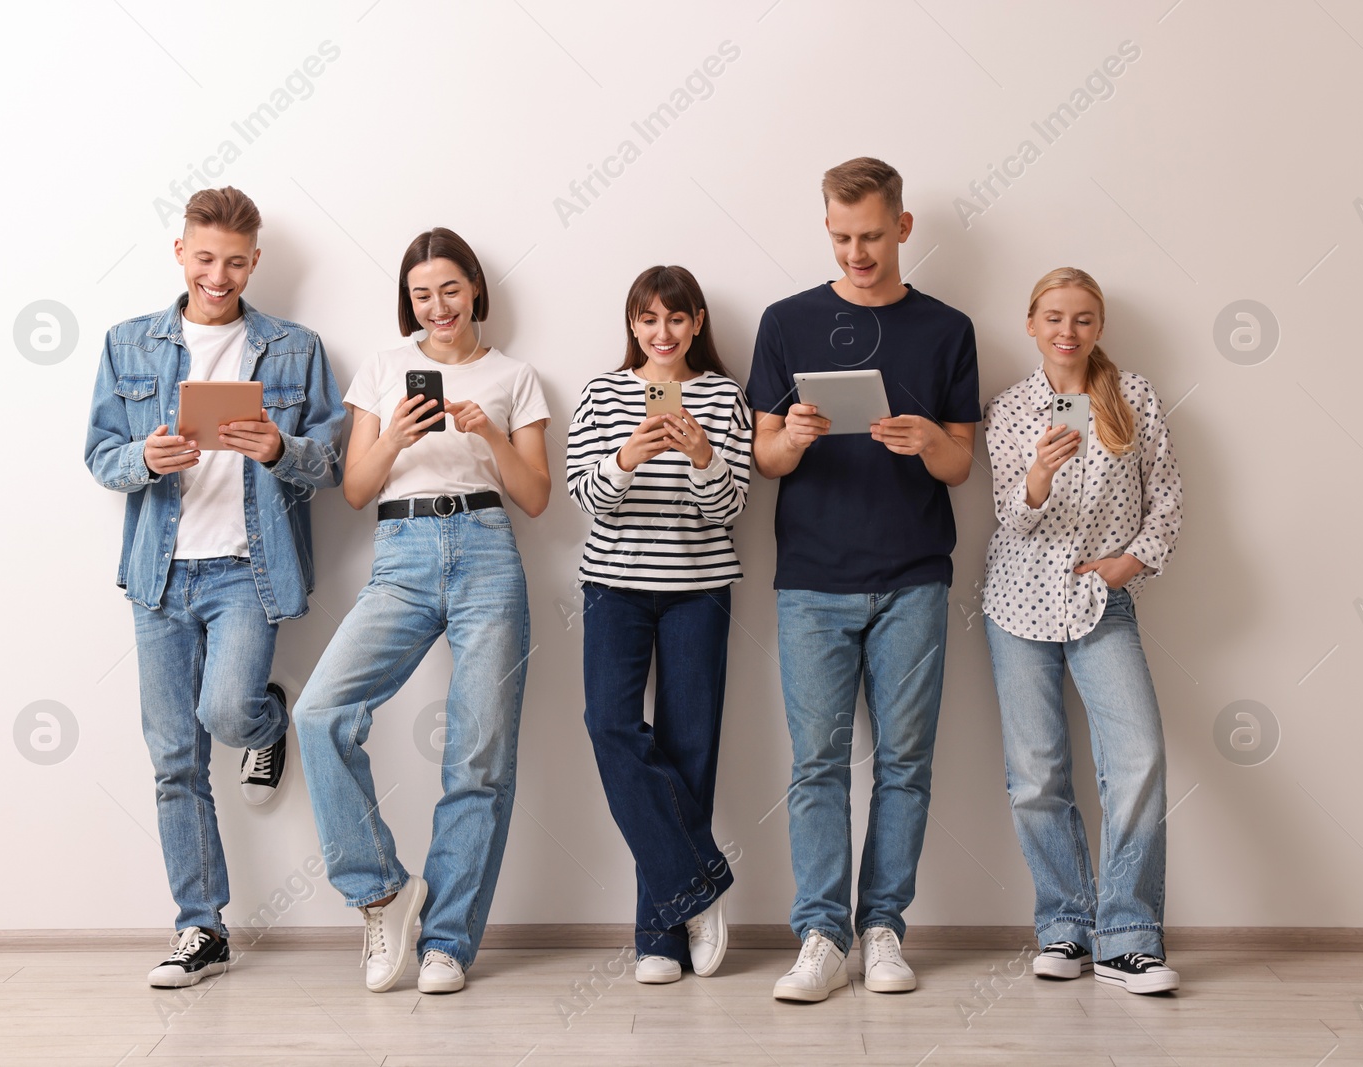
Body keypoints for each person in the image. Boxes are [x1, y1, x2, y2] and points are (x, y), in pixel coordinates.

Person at [84, 186, 345, 987]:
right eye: (205, 258)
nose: (218, 275)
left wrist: (277, 448)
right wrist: (143, 461)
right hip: (159, 577)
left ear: (255, 261)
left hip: (246, 571)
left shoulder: (296, 349)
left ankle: (264, 719)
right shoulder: (129, 343)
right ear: (180, 254)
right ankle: (202, 927)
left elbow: (333, 459)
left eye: (235, 262)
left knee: (227, 710)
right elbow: (100, 453)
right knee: (174, 760)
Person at [747, 157, 981, 1002]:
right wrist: (796, 438)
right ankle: (821, 933)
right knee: (816, 766)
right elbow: (764, 455)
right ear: (827, 230)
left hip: (914, 575)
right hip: (811, 578)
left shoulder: (948, 328)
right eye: (844, 237)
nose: (859, 252)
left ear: (903, 228)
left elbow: (961, 464)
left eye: (874, 236)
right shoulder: (785, 321)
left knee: (905, 763)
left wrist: (928, 441)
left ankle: (881, 928)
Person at [295, 228, 551, 996]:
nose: (436, 306)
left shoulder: (516, 375)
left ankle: (448, 943)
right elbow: (355, 488)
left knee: (478, 757)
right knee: (318, 712)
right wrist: (397, 435)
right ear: (408, 302)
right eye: (420, 294)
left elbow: (536, 496)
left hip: (486, 550)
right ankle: (382, 888)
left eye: (448, 288)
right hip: (402, 553)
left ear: (474, 287)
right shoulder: (383, 368)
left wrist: (492, 434)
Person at [981, 267, 1182, 995]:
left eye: (1084, 319)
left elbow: (1167, 495)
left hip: (1102, 601)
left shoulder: (1134, 398)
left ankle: (1127, 936)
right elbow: (1013, 517)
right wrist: (1037, 472)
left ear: (1099, 328)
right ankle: (1065, 925)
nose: (1068, 331)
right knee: (1036, 773)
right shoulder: (1009, 408)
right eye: (1055, 317)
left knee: (1138, 759)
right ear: (1031, 323)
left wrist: (1131, 563)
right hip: (1016, 602)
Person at [567, 265, 753, 984]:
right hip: (613, 587)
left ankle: (659, 935)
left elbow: (729, 508)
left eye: (676, 319)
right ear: (633, 325)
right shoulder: (602, 392)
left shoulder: (725, 397)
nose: (662, 332)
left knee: (689, 748)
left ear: (698, 322)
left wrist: (702, 456)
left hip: (698, 589)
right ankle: (699, 884)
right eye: (648, 319)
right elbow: (587, 497)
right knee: (608, 725)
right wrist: (625, 458)